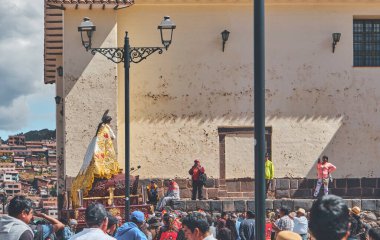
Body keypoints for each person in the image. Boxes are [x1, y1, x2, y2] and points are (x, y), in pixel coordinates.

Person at [71, 110, 120, 207]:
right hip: (103, 150)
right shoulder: (106, 128)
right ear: (108, 122)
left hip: (95, 149)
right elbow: (113, 136)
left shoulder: (99, 130)